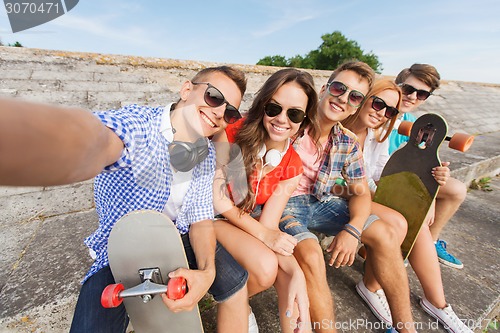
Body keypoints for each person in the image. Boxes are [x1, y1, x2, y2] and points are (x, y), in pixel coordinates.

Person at [0, 66, 254, 332]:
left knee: (236, 280)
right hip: (126, 246)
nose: (218, 112)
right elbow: (98, 140)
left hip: (177, 237)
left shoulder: (207, 154)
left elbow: (201, 220)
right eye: (214, 97)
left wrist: (207, 274)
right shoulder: (140, 125)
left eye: (230, 112)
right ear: (186, 89)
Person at [278, 61, 418, 333]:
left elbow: (361, 191)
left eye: (354, 96)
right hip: (283, 203)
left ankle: (406, 329)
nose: (343, 98)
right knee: (311, 253)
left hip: (320, 201)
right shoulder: (292, 121)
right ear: (324, 88)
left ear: (358, 105)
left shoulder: (347, 141)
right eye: (339, 88)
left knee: (386, 233)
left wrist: (353, 230)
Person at [343, 78, 473, 333]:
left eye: (390, 111)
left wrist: (429, 185)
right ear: (362, 97)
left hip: (363, 193)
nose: (382, 113)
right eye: (378, 103)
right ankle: (371, 286)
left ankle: (437, 303)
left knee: (413, 218)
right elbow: (343, 182)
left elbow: (381, 174)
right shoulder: (339, 129)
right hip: (342, 195)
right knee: (401, 219)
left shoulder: (377, 135)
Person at [212, 68, 319, 333]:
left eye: (294, 114)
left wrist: (296, 273)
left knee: (279, 272)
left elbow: (269, 226)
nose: (282, 119)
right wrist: (265, 235)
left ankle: (238, 304)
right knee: (266, 265)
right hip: (208, 214)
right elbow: (215, 199)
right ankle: (236, 304)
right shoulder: (232, 133)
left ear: (303, 120)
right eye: (274, 108)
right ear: (263, 107)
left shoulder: (292, 165)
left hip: (241, 222)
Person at [390, 64, 467, 269]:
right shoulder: (378, 112)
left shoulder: (416, 123)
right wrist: (427, 195)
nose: (413, 97)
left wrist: (435, 170)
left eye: (422, 94)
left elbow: (419, 159)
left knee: (456, 189)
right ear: (396, 85)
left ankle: (430, 243)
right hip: (387, 179)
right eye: (408, 89)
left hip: (407, 177)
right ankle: (406, 247)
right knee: (420, 203)